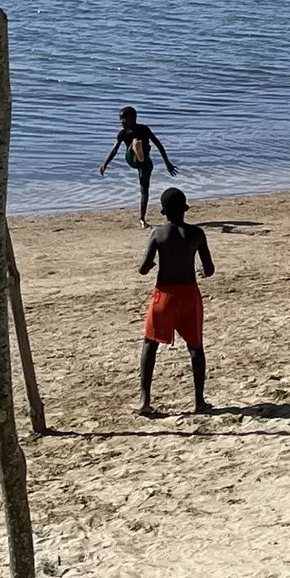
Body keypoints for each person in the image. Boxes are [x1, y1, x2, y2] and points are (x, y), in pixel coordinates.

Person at [138, 186, 214, 416]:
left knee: (150, 344)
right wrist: (202, 271)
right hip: (190, 294)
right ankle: (199, 400)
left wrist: (150, 266)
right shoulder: (197, 234)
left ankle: (144, 399)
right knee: (195, 347)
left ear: (164, 212)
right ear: (184, 209)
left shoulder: (158, 234)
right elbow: (209, 269)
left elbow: (143, 269)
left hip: (165, 295)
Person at [99, 106, 176, 227]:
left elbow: (159, 145)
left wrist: (167, 163)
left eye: (123, 119)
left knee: (144, 190)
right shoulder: (123, 133)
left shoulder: (144, 129)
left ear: (132, 118)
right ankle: (136, 148)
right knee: (135, 143)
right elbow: (115, 150)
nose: (121, 122)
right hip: (131, 159)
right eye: (120, 119)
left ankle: (142, 219)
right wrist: (105, 164)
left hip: (145, 162)